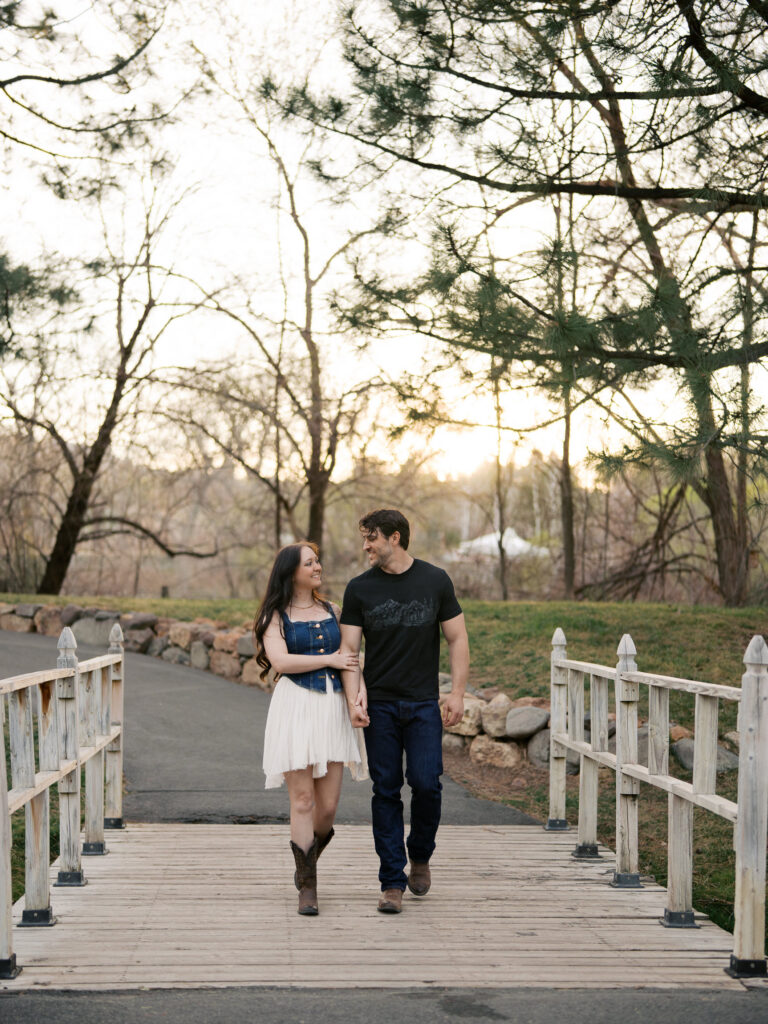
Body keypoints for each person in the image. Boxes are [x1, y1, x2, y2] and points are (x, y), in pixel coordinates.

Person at [340, 508, 469, 914]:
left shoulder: (435, 580)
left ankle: (421, 854)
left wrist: (458, 693)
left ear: (395, 537)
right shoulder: (359, 589)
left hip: (422, 704)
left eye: (371, 537)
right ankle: (391, 881)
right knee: (386, 789)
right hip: (379, 705)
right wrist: (354, 699)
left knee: (427, 783)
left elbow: (457, 636)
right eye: (364, 538)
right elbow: (349, 652)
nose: (366, 546)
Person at [255, 542, 368, 916]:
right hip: (296, 708)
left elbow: (352, 661)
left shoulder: (333, 610)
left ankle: (307, 859)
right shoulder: (275, 615)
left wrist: (357, 700)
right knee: (302, 801)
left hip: (332, 710)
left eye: (317, 560)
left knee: (329, 807)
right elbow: (282, 662)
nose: (317, 566)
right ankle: (308, 885)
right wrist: (330, 658)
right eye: (309, 562)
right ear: (291, 571)